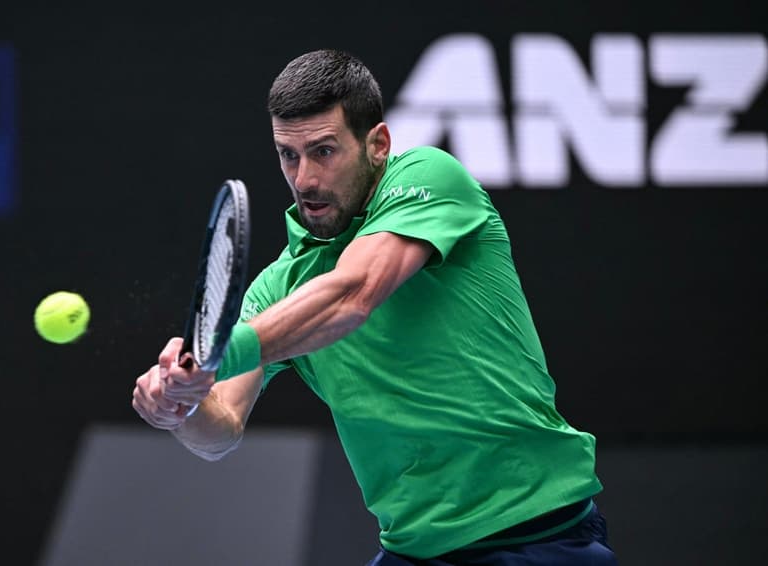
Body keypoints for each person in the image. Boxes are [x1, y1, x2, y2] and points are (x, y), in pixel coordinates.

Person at [132, 48, 618, 565]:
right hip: (413, 551)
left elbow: (353, 293)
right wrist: (182, 403)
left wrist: (216, 353)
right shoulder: (276, 290)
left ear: (378, 145)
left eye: (323, 151)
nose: (304, 179)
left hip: (536, 533)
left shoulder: (430, 176)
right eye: (288, 155)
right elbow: (221, 429)